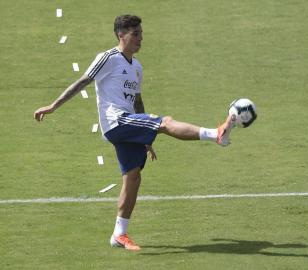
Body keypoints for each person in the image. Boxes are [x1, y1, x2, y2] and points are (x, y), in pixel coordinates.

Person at [33, 14, 234, 251]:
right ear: (122, 35)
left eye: (141, 33)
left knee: (133, 176)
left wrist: (146, 139)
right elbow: (83, 81)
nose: (140, 38)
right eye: (135, 34)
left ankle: (119, 234)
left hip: (129, 125)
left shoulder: (136, 67)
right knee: (166, 122)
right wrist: (53, 106)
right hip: (115, 122)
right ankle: (216, 134)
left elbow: (138, 103)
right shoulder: (108, 58)